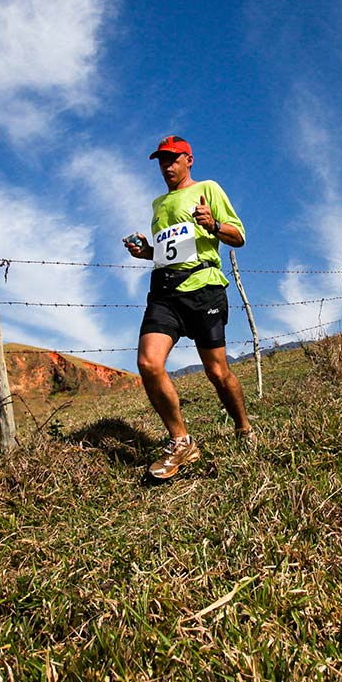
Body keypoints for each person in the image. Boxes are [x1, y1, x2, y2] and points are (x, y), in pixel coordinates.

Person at [123, 135, 253, 480]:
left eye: (172, 159)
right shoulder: (158, 204)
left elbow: (238, 235)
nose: (166, 166)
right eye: (161, 161)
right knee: (148, 363)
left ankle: (244, 429)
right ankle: (181, 441)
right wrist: (146, 251)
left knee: (217, 372)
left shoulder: (208, 188)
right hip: (164, 293)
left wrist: (213, 224)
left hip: (203, 288)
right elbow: (169, 251)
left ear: (189, 160)